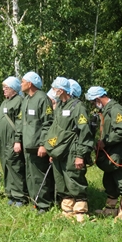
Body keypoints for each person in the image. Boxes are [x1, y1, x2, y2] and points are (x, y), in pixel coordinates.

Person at [45, 77, 94, 222]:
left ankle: (80, 212)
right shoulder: (60, 106)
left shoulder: (78, 107)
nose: (53, 92)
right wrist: (52, 150)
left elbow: (84, 132)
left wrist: (80, 155)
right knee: (61, 181)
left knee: (74, 179)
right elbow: (55, 130)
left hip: (73, 150)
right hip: (59, 151)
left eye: (54, 89)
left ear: (61, 90)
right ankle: (67, 210)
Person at [86, 86, 122, 220]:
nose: (93, 105)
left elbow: (121, 132)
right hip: (110, 153)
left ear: (98, 99)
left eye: (92, 102)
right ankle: (110, 209)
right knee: (109, 181)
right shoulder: (106, 110)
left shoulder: (115, 109)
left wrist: (105, 142)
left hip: (119, 153)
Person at [16, 71, 54, 214]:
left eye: (23, 81)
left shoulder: (42, 99)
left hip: (37, 145)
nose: (21, 84)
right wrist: (17, 140)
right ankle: (35, 201)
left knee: (39, 175)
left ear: (30, 83)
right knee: (30, 175)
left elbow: (48, 123)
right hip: (27, 145)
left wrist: (44, 144)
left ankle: (44, 204)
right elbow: (20, 121)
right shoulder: (25, 99)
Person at [0, 77, 28, 207]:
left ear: (14, 89)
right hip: (3, 141)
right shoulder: (5, 102)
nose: (4, 90)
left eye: (7, 88)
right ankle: (10, 193)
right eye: (3, 87)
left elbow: (20, 123)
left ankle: (20, 196)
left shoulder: (19, 101)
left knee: (16, 167)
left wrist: (17, 140)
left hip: (12, 140)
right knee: (6, 166)